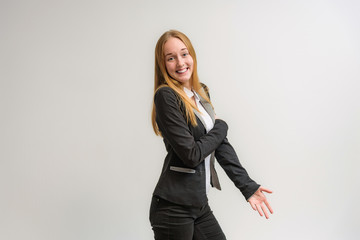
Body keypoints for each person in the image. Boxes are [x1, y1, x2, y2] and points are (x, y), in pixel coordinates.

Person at [150, 29, 273, 240]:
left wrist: (247, 186)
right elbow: (191, 155)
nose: (180, 62)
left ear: (192, 56)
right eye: (171, 58)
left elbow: (219, 144)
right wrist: (222, 125)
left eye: (184, 54)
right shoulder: (166, 96)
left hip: (198, 204)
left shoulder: (202, 92)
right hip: (173, 209)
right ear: (163, 65)